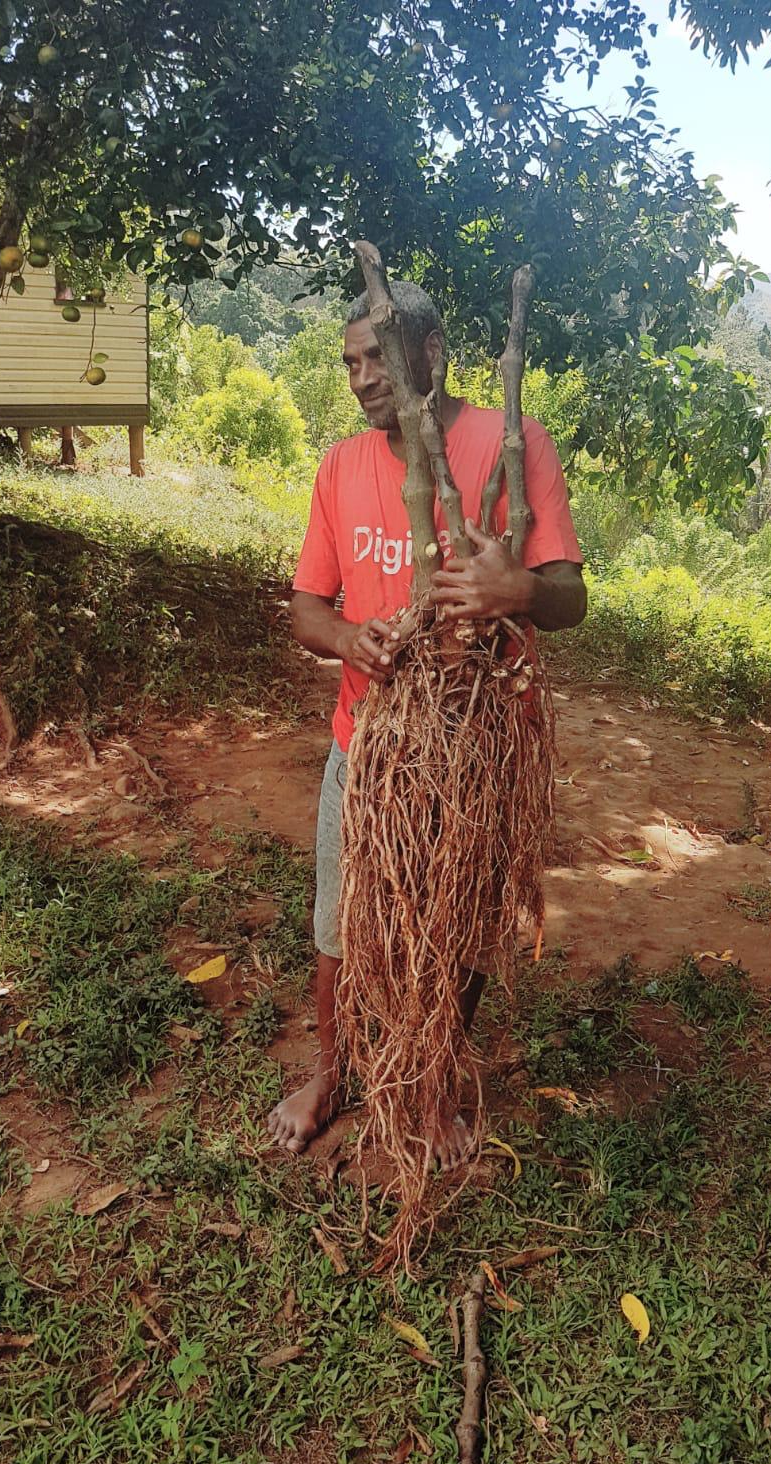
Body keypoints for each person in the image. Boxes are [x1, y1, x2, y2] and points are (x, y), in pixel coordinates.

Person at [267, 281, 586, 1166]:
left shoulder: (509, 445)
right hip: (366, 746)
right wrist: (348, 639)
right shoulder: (342, 466)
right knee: (339, 919)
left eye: (378, 357)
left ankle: (437, 1081)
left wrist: (516, 589)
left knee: (463, 919)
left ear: (432, 354)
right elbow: (305, 608)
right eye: (352, 364)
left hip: (479, 746)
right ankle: (333, 1071)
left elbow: (572, 598)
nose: (363, 378)